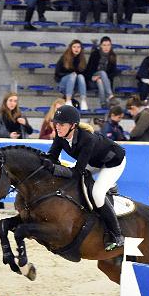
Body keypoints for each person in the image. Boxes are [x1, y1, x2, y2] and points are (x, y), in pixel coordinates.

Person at [43, 105, 126, 251]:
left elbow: (77, 172)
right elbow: (52, 157)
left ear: (73, 126)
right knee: (80, 185)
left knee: (97, 194)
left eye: (61, 124)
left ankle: (117, 235)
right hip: (94, 161)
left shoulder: (87, 139)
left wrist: (56, 169)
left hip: (113, 162)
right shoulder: (60, 136)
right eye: (56, 123)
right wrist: (44, 162)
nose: (57, 127)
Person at [54, 39, 89, 110]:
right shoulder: (64, 58)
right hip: (63, 84)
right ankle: (68, 100)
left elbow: (85, 74)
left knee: (81, 76)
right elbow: (57, 73)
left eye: (78, 47)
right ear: (71, 48)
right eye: (74, 47)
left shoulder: (82, 59)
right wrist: (70, 74)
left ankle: (83, 100)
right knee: (73, 75)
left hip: (74, 86)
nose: (76, 49)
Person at [85, 36, 118, 109]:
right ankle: (110, 96)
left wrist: (103, 78)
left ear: (111, 46)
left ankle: (103, 105)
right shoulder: (95, 54)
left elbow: (113, 73)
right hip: (92, 81)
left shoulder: (113, 56)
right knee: (102, 73)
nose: (106, 47)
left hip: (105, 82)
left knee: (100, 81)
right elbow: (88, 70)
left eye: (108, 45)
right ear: (100, 46)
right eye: (104, 45)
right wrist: (92, 77)